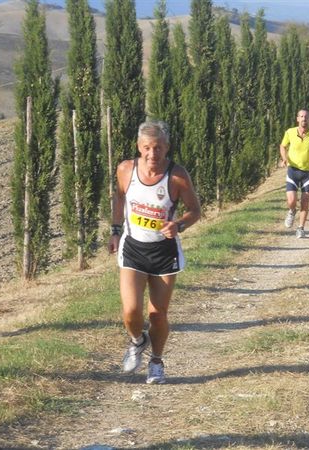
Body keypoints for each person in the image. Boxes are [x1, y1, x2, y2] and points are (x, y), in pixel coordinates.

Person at [108, 121, 201, 384]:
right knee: (130, 312)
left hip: (164, 252)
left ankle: (157, 361)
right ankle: (137, 341)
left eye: (158, 148)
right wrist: (115, 230)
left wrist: (179, 224)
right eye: (147, 148)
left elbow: (195, 210)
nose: (152, 154)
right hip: (133, 249)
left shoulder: (178, 175)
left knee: (157, 314)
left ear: (166, 148)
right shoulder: (126, 169)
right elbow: (119, 197)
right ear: (139, 147)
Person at [280, 109, 309, 238]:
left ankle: (301, 228)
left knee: (305, 200)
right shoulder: (290, 132)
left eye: (306, 117)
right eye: (301, 116)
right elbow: (282, 146)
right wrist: (284, 158)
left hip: (307, 173)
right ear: (297, 119)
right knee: (292, 200)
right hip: (293, 170)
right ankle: (292, 211)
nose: (304, 119)